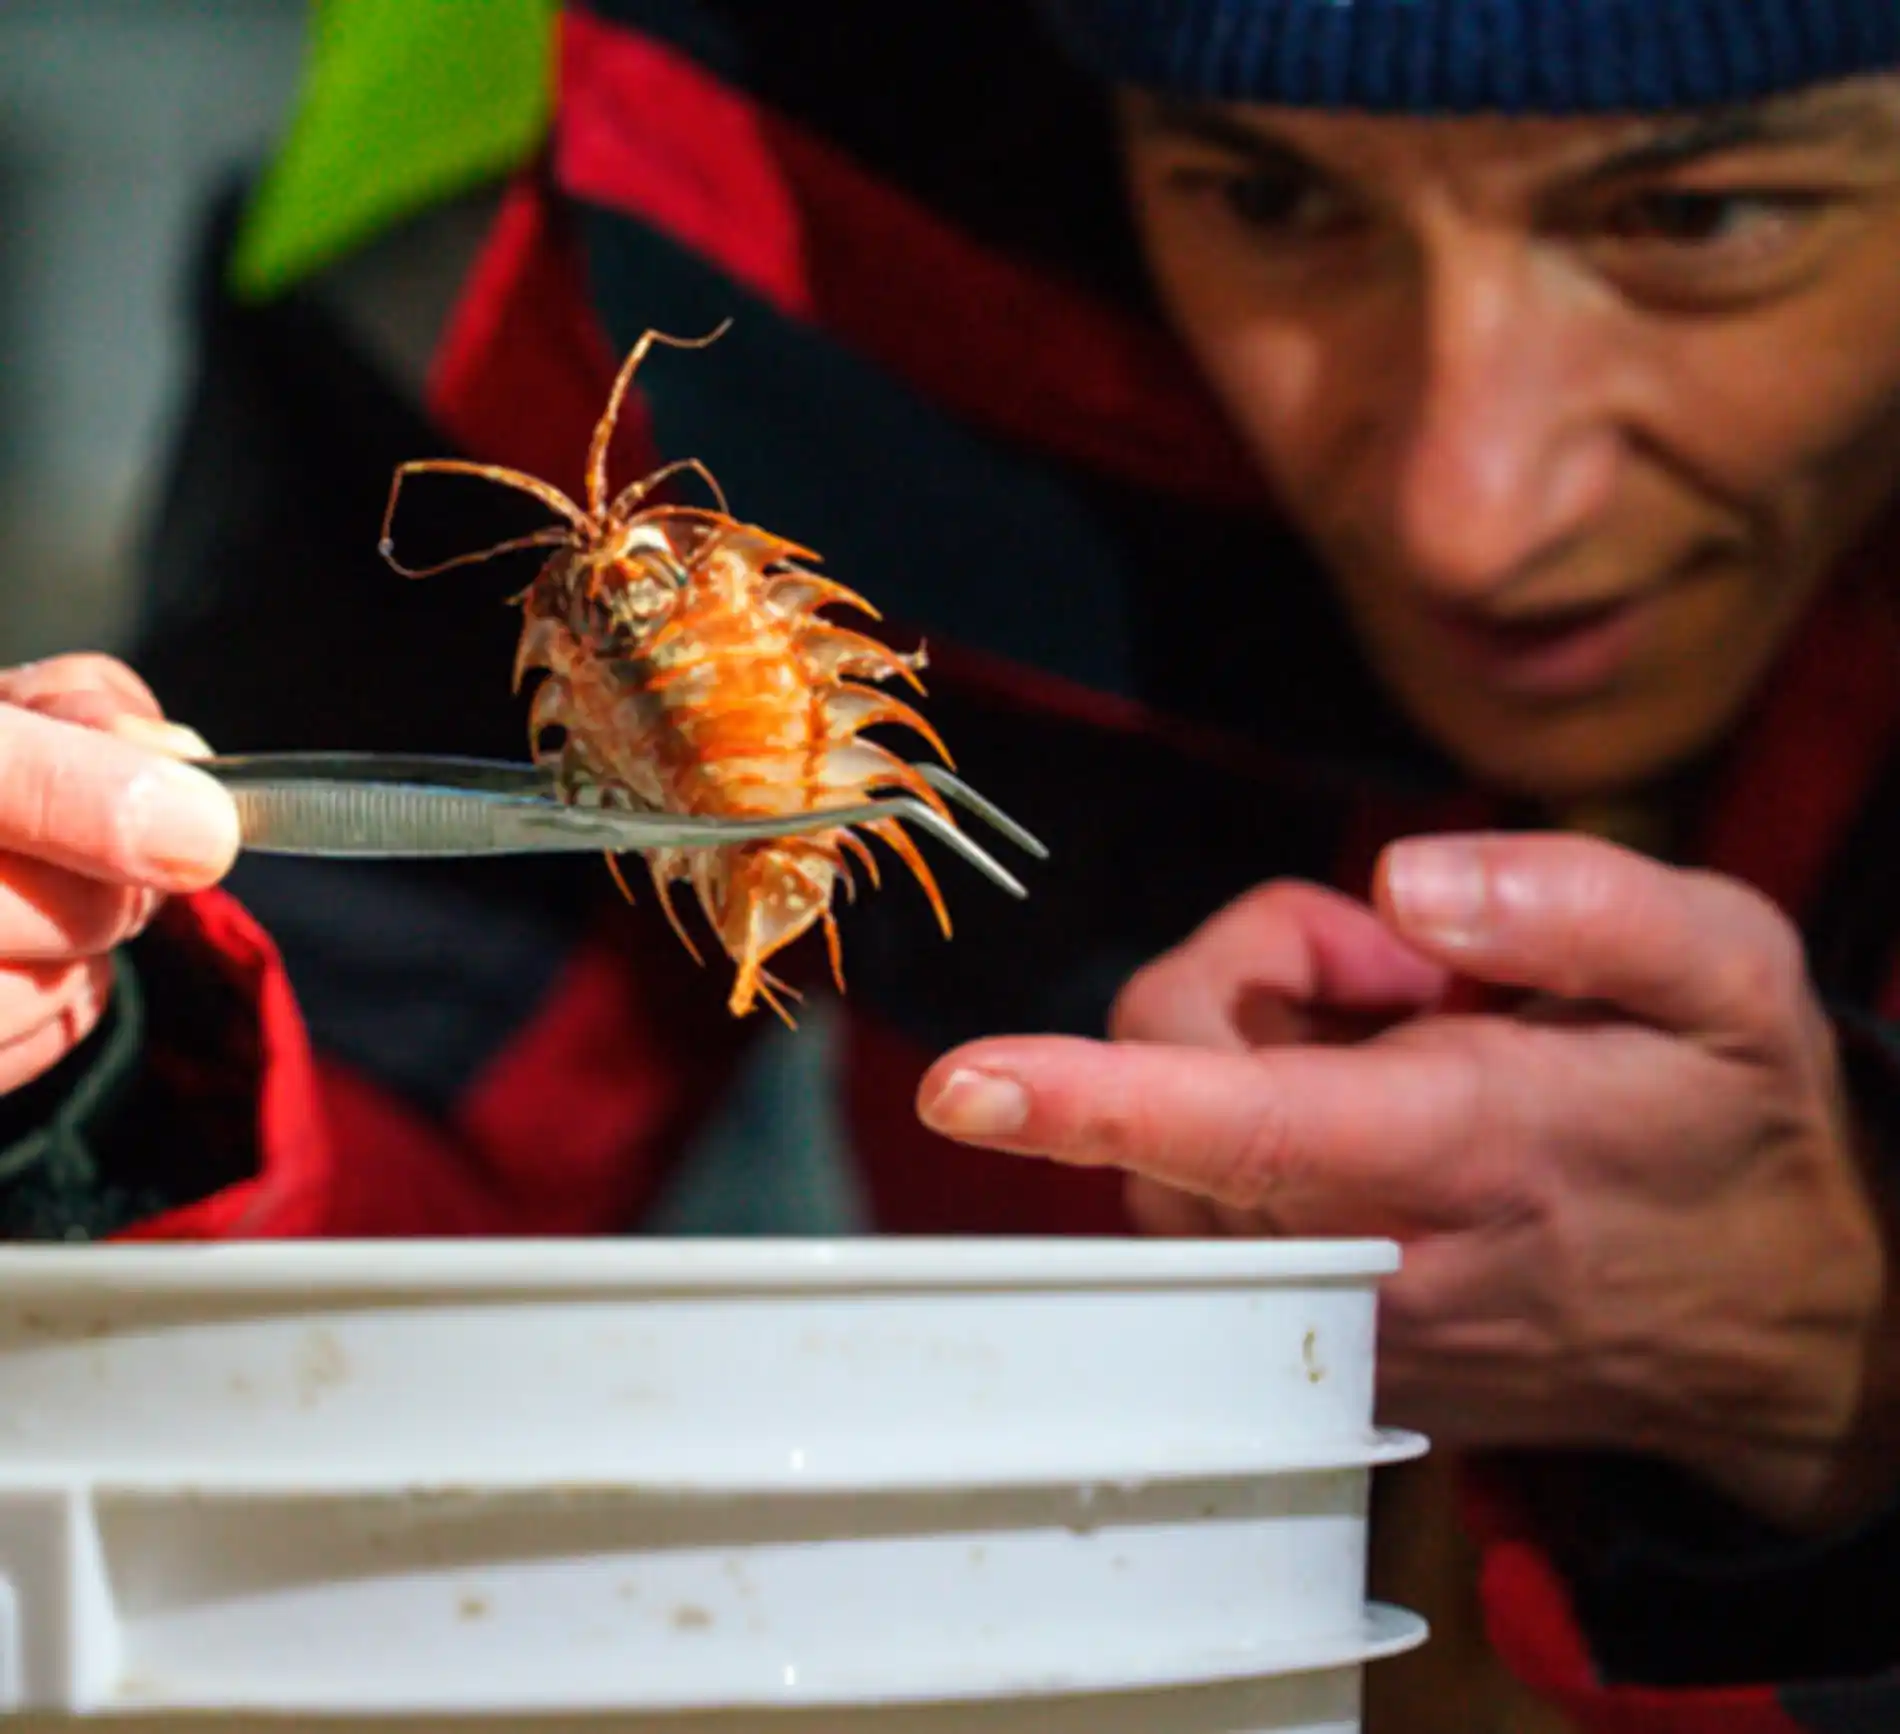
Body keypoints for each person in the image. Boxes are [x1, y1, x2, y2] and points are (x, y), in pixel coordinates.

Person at [1, 0, 1898, 1725]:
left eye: (1706, 222)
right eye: (1259, 191)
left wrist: (1863, 1357)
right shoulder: (564, 219)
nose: (1469, 516)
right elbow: (355, 1178)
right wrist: (74, 1063)